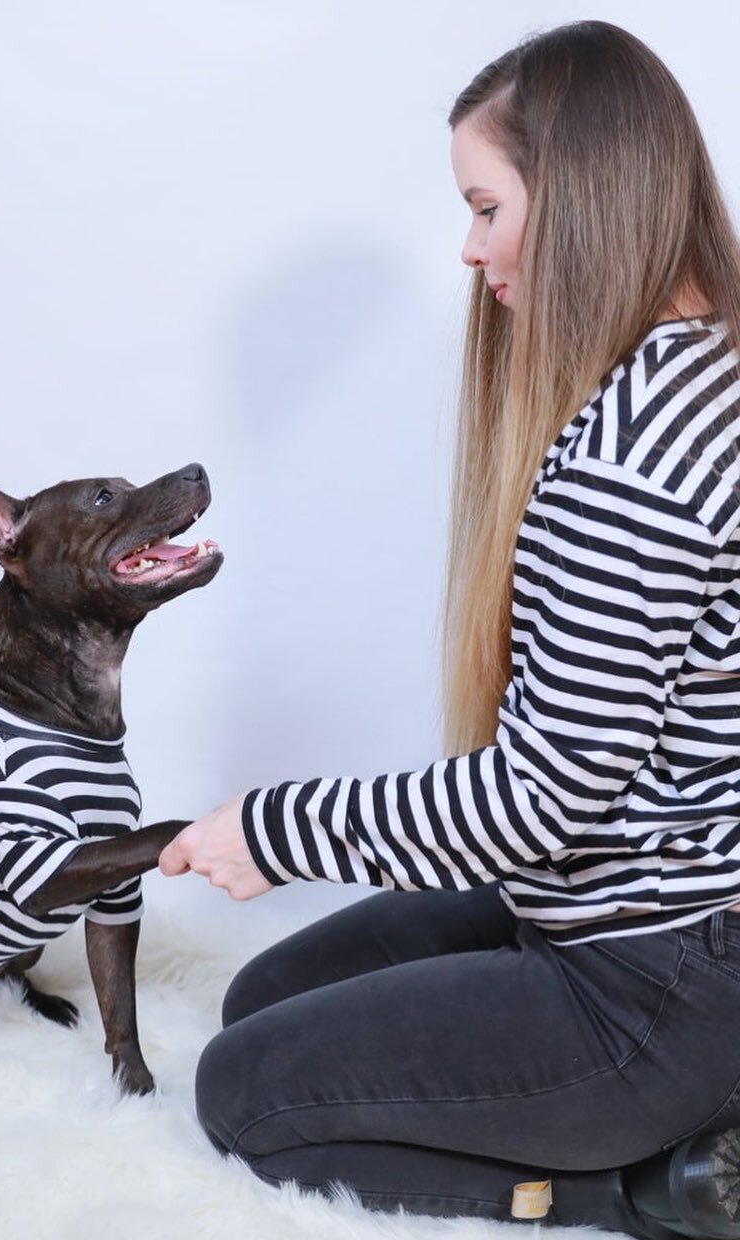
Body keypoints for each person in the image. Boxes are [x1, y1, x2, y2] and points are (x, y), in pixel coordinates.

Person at [158, 20, 740, 1240]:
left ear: (579, 194)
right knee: (264, 996)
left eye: (484, 206)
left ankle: (652, 1186)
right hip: (619, 910)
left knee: (244, 1093)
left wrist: (273, 827)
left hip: (658, 983)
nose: (471, 249)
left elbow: (543, 795)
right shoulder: (702, 371)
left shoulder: (632, 457)